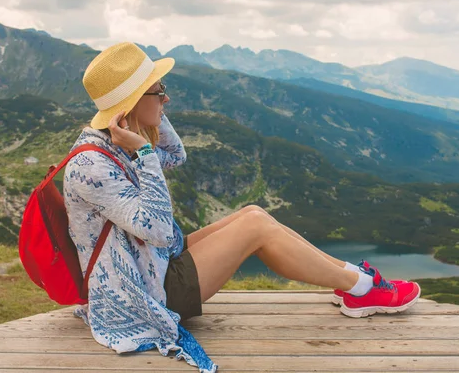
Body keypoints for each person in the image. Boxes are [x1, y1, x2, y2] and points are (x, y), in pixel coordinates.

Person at [64, 42, 420, 373]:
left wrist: (144, 120)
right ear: (133, 101)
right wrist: (143, 150)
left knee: (253, 213)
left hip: (156, 264)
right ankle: (362, 289)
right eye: (159, 92)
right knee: (256, 229)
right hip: (149, 293)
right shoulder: (93, 165)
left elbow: (175, 155)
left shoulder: (114, 142)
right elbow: (156, 228)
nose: (167, 98)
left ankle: (353, 281)